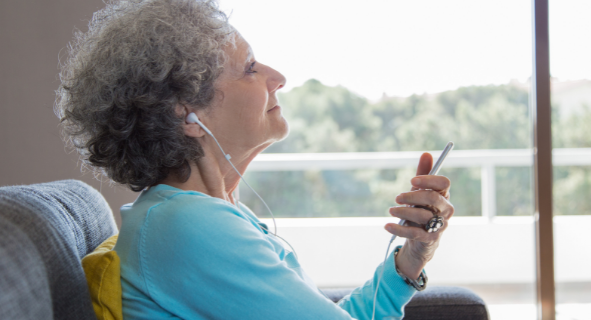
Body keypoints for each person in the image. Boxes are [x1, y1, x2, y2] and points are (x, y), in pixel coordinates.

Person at [55, 0, 454, 319]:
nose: (277, 76)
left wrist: (410, 260)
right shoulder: (189, 228)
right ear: (188, 114)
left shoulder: (202, 215)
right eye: (249, 68)